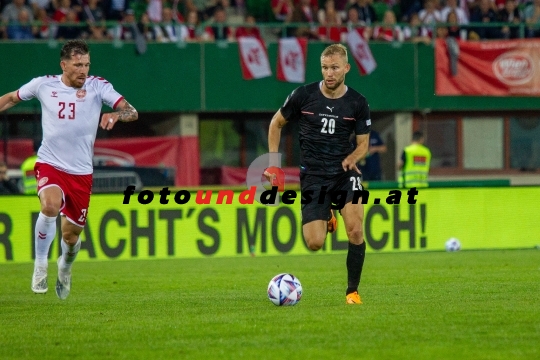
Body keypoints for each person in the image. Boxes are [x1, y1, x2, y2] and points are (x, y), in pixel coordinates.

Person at [0, 39, 138, 299]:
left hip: (81, 173)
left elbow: (131, 111)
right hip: (50, 162)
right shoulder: (43, 85)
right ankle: (40, 266)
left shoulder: (98, 86)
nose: (83, 70)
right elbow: (9, 99)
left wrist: (116, 115)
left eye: (86, 64)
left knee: (71, 237)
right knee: (49, 207)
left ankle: (65, 266)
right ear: (64, 65)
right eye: (77, 65)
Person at [264, 44, 370, 305]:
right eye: (325, 67)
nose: (329, 73)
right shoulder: (303, 95)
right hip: (314, 177)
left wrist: (352, 158)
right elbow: (276, 123)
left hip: (345, 174)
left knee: (356, 230)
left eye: (334, 67)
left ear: (346, 68)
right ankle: (328, 213)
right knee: (314, 243)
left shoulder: (358, 102)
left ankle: (352, 291)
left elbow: (363, 144)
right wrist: (273, 163)